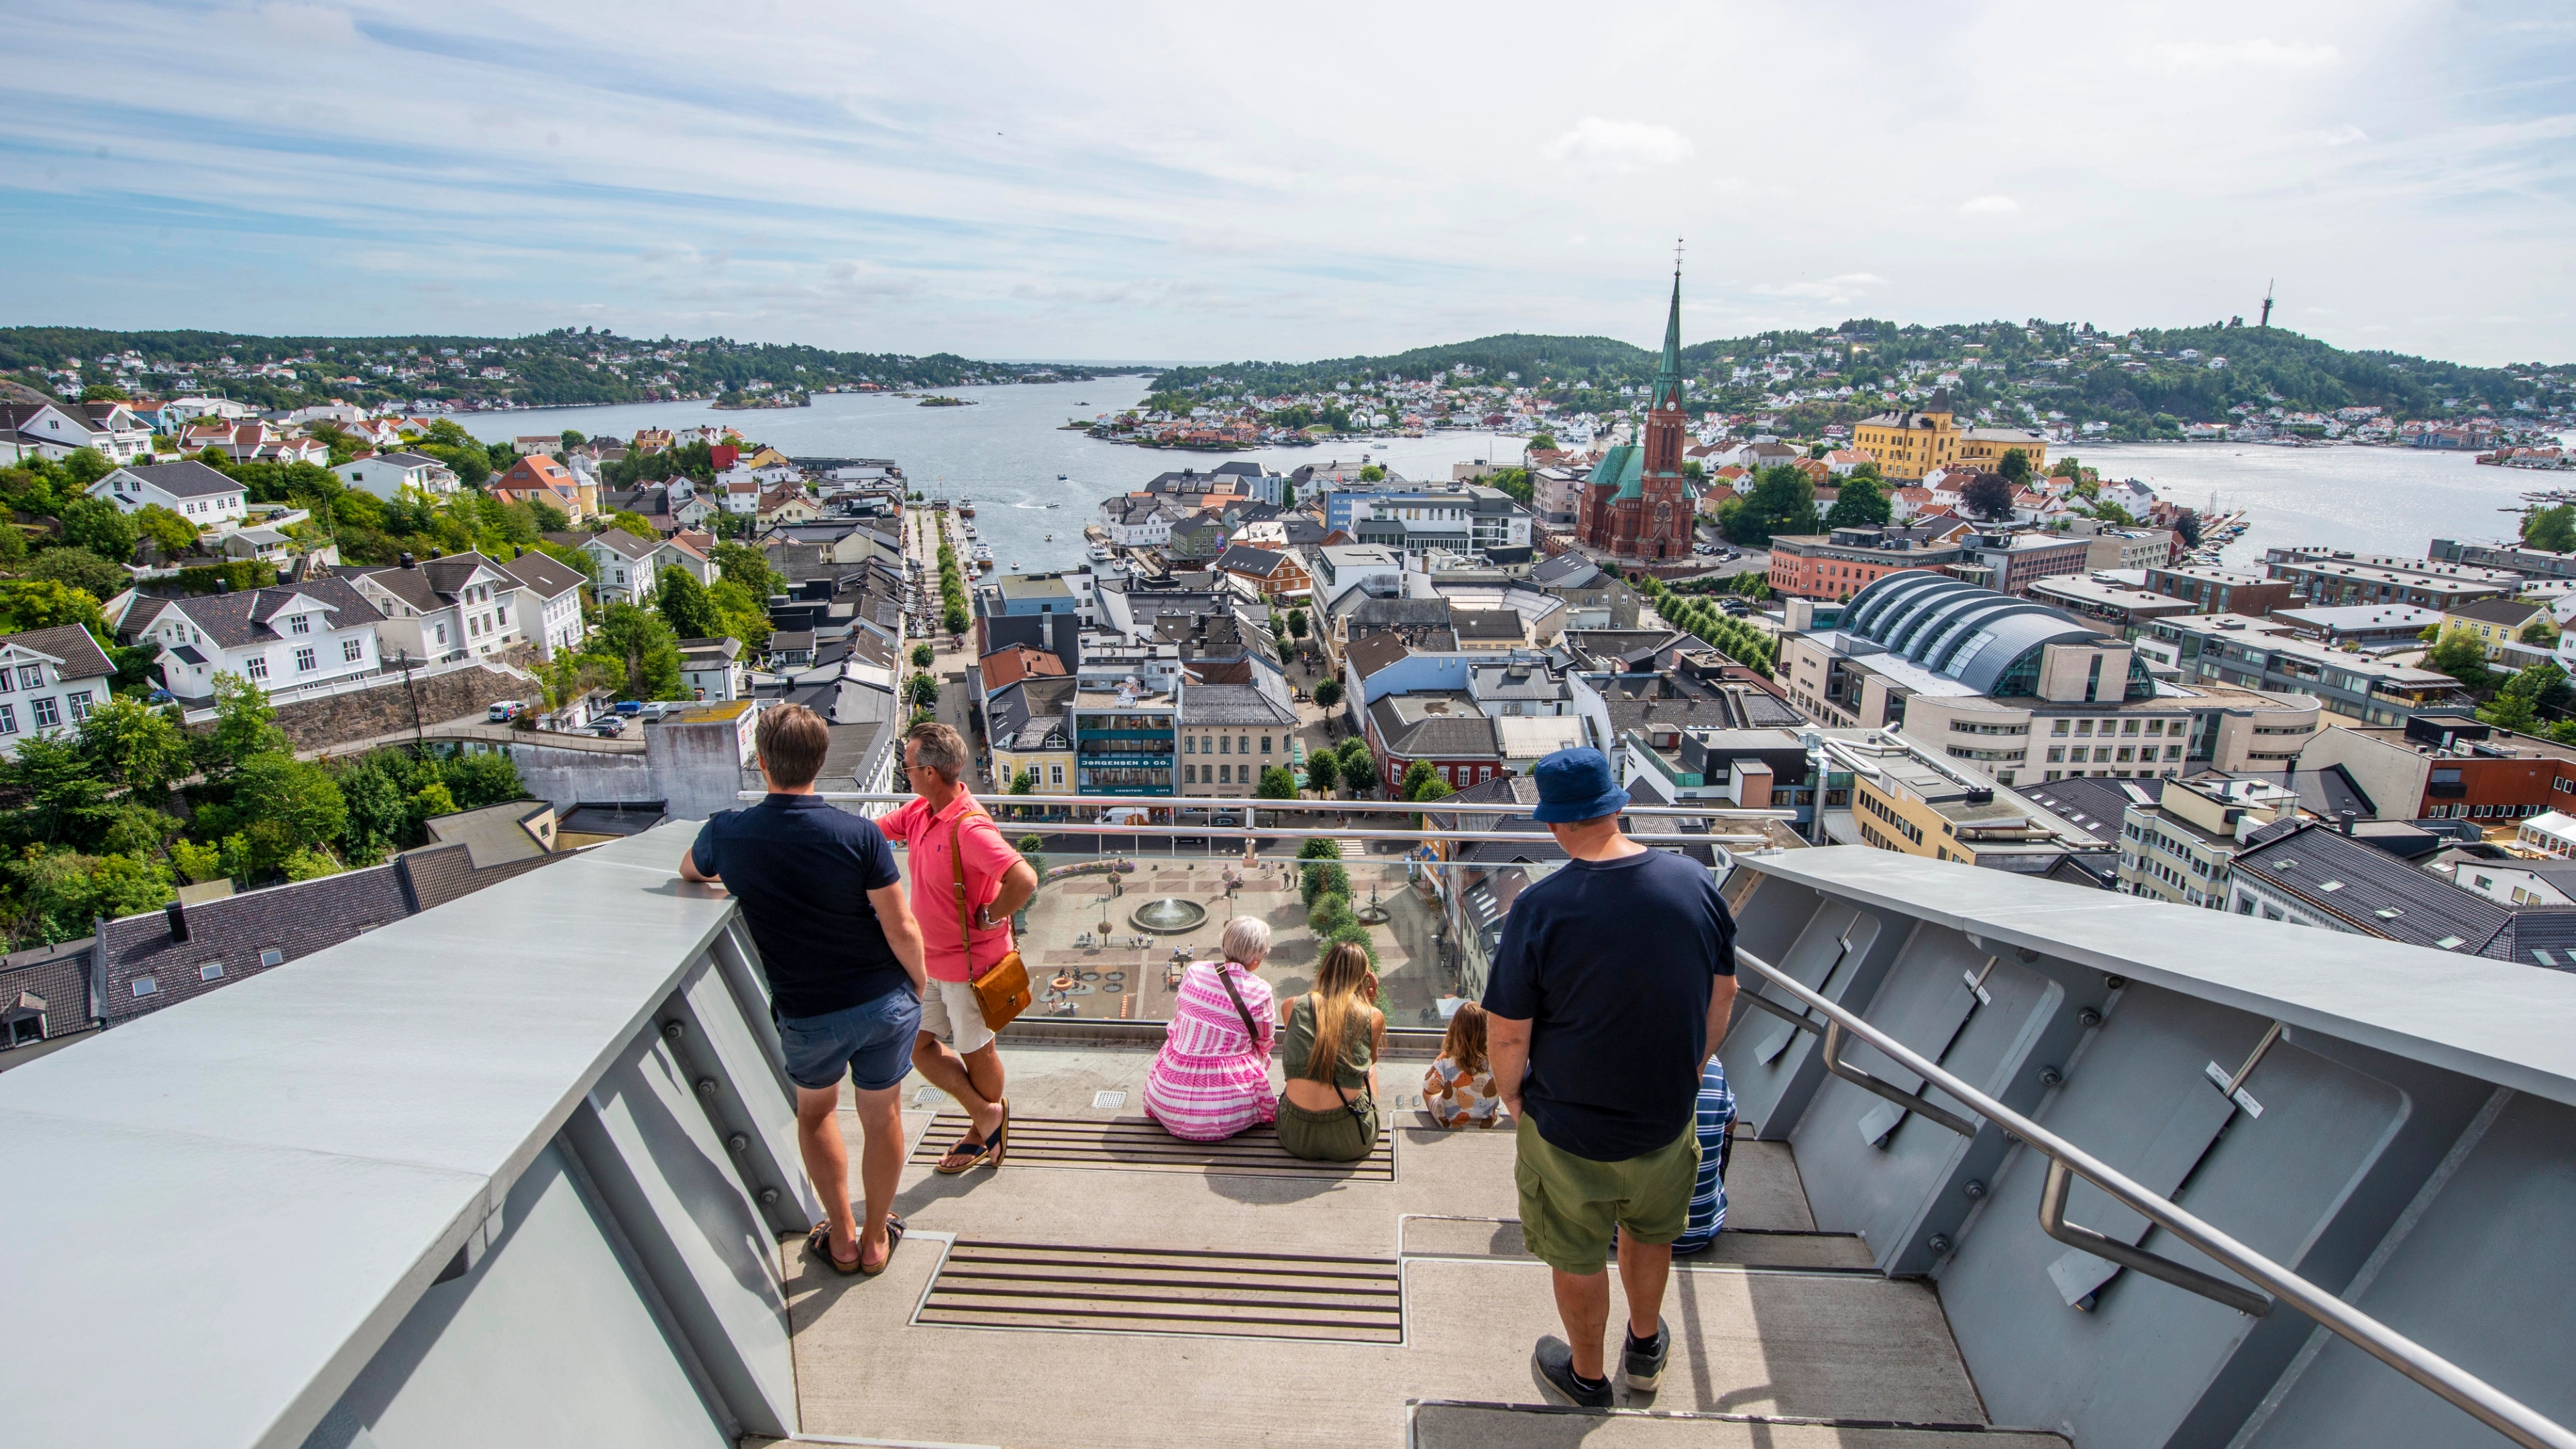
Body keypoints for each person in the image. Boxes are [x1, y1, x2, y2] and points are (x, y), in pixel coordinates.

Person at [1483, 746, 1738, 1409]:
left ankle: (1589, 1378)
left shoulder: (1541, 909)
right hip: (1664, 1117)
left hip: (1569, 1125)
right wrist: (1693, 1064)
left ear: (1554, 826)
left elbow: (1509, 1029)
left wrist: (1513, 1093)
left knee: (1576, 1251)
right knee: (1651, 1235)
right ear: (1618, 806)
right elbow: (1725, 992)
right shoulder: (1694, 885)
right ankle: (1646, 1347)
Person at [680, 703, 928, 1277]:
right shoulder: (859, 835)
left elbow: (693, 870)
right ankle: (876, 1241)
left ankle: (840, 1238)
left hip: (807, 1009)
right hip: (880, 999)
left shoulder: (730, 833)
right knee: (882, 1113)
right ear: (821, 761)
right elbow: (901, 926)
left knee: (816, 1113)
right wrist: (915, 982)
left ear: (762, 762)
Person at [876, 722, 1039, 1175]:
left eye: (908, 766)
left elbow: (1024, 878)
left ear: (930, 772)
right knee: (917, 1044)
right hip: (930, 964)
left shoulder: (967, 828)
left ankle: (981, 1128)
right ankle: (987, 1114)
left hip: (972, 968)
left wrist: (991, 914)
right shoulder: (920, 812)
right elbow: (871, 833)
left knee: (977, 1052)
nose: (905, 773)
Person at [1141, 917, 1278, 1141]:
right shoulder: (1260, 991)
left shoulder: (1194, 973)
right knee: (1254, 1054)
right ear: (1256, 958)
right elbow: (1264, 1043)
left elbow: (1177, 1026)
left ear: (1224, 945)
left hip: (1167, 1099)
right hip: (1229, 1113)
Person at [1277, 941, 1384, 1161]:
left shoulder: (1291, 1005)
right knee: (1370, 1067)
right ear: (1363, 979)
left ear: (1324, 969)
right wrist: (1368, 1004)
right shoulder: (1372, 1016)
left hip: (1296, 1134)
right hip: (1352, 1137)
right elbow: (1370, 1061)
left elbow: (1310, 1044)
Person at [1669, 1059, 1737, 1256]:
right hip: (1700, 1232)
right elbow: (1731, 1125)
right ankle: (1704, 1197)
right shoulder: (1713, 1065)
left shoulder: (1625, 1054)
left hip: (1622, 1236)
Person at [1422, 1002, 1503, 1129]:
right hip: (1486, 1124)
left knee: (1429, 1094)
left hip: (1449, 1124)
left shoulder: (1446, 1059)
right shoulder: (1498, 1060)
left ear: (1454, 1029)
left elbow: (1429, 1089)